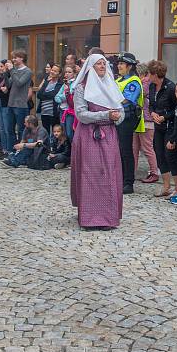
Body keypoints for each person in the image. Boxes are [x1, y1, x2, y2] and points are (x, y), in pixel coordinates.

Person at [70, 54, 125, 229]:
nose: (102, 66)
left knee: (109, 173)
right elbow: (81, 115)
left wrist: (117, 117)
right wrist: (105, 115)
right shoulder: (81, 87)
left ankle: (108, 216)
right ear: (90, 67)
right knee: (91, 174)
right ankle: (90, 217)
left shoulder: (111, 85)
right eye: (98, 64)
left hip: (109, 135)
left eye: (103, 63)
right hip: (88, 136)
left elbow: (121, 111)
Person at [116, 53, 144, 194]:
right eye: (119, 63)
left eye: (122, 63)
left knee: (126, 151)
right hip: (117, 118)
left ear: (130, 66)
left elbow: (128, 100)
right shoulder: (119, 79)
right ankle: (119, 178)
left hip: (127, 119)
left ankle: (128, 182)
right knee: (118, 150)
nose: (119, 66)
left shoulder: (133, 81)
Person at [149, 60, 177, 198]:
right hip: (157, 126)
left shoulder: (170, 87)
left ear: (155, 74)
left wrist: (164, 117)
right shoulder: (152, 86)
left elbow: (176, 109)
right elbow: (151, 104)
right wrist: (153, 112)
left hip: (169, 126)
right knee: (159, 154)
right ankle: (166, 186)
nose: (148, 75)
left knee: (169, 155)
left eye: (150, 73)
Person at [133, 63, 159, 184]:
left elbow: (138, 95)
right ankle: (131, 171)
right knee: (135, 148)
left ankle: (154, 172)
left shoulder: (145, 84)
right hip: (139, 120)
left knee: (147, 148)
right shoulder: (144, 82)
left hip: (146, 120)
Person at [7, 49, 34, 143]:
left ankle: (22, 150)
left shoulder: (28, 71)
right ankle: (12, 150)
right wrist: (7, 72)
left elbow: (19, 83)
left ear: (22, 58)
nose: (13, 60)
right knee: (10, 129)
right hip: (11, 103)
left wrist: (11, 70)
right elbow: (9, 84)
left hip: (21, 104)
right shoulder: (15, 70)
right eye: (13, 58)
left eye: (15, 58)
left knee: (22, 129)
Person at [36, 64, 63, 133]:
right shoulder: (47, 82)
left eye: (55, 71)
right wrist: (46, 83)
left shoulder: (60, 84)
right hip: (44, 111)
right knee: (45, 133)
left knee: (55, 133)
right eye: (52, 70)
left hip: (54, 112)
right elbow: (39, 95)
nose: (52, 72)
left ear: (59, 74)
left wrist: (44, 94)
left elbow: (53, 95)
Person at [55, 64, 77, 141]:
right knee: (63, 133)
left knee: (69, 133)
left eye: (69, 72)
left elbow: (70, 94)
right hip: (62, 110)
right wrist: (64, 96)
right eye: (66, 72)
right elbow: (56, 97)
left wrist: (64, 96)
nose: (66, 74)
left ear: (74, 73)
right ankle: (67, 151)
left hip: (70, 111)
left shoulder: (75, 83)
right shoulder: (65, 83)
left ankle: (73, 151)